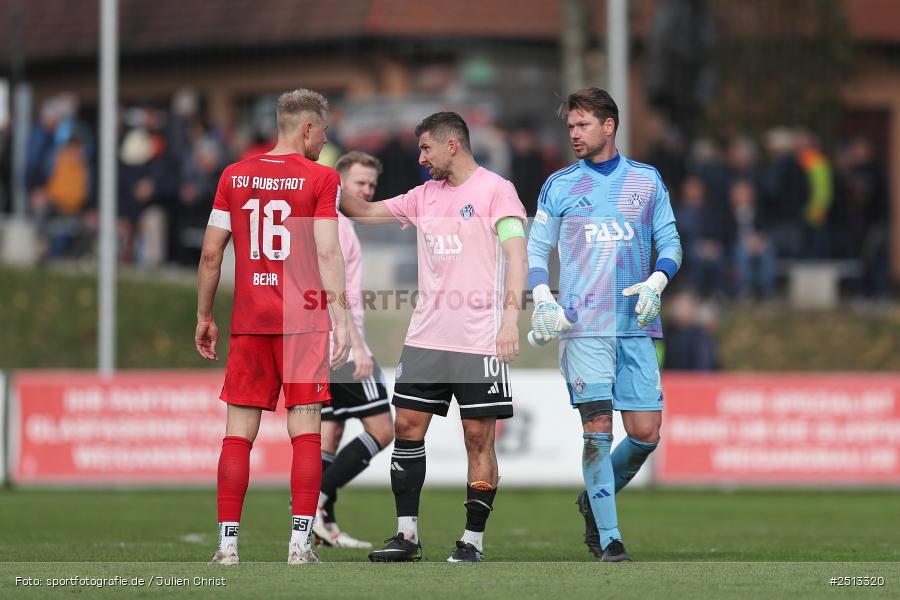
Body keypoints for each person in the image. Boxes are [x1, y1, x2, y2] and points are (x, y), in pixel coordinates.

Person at [340, 112, 528, 563]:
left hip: (479, 338)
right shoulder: (424, 196)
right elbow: (362, 210)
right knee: (406, 427)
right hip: (426, 337)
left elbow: (516, 255)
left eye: (425, 148)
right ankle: (406, 536)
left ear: (451, 146)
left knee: (478, 438)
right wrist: (315, 182)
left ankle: (472, 541)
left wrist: (509, 319)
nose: (420, 157)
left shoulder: (496, 190)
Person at [196, 89, 350, 566]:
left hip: (250, 322)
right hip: (302, 324)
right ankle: (300, 545)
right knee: (305, 431)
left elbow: (209, 254)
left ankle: (226, 547)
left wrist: (204, 316)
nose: (324, 142)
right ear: (306, 128)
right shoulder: (321, 178)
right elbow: (327, 251)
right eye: (322, 132)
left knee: (237, 433)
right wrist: (340, 316)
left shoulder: (234, 175)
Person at [527, 88, 682, 562]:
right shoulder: (558, 185)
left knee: (645, 433)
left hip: (635, 324)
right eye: (570, 126)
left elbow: (671, 242)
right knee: (597, 430)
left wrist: (657, 281)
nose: (574, 134)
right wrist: (541, 299)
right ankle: (610, 540)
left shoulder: (646, 180)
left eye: (583, 125)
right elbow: (537, 250)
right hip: (583, 326)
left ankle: (594, 498)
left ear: (608, 126)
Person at [312, 151, 394, 549]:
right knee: (382, 429)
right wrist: (359, 347)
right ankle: (313, 503)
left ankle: (323, 523)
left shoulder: (329, 221)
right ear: (339, 182)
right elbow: (336, 291)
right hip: (342, 346)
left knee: (331, 431)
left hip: (320, 345)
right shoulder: (338, 225)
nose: (366, 191)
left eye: (372, 186)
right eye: (359, 183)